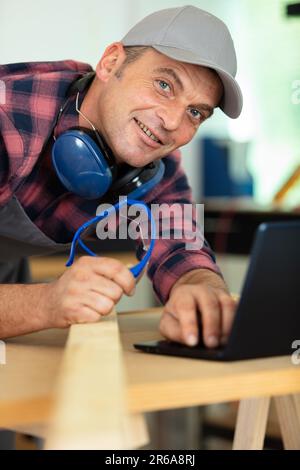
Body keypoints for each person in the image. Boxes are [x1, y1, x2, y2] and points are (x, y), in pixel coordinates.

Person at [0, 5, 242, 349]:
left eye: (195, 112)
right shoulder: (8, 115)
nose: (173, 122)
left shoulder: (157, 163)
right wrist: (46, 304)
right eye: (164, 85)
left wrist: (201, 290)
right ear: (111, 62)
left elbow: (183, 250)